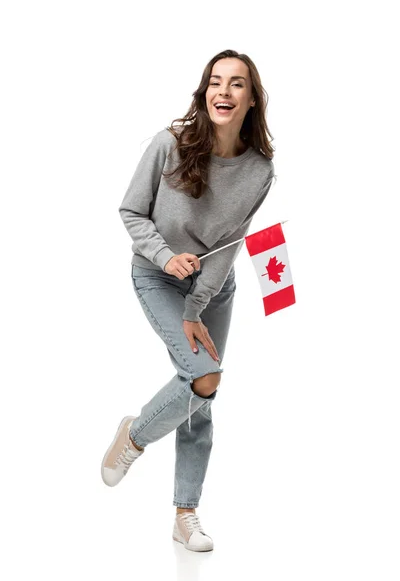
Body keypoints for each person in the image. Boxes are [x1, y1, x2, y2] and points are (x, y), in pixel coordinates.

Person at [100, 49, 276, 552]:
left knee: (203, 397)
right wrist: (164, 255)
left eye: (236, 84)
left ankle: (186, 512)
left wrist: (197, 307)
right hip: (155, 277)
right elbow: (132, 212)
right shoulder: (168, 144)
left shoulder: (259, 170)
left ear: (251, 99)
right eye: (215, 82)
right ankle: (134, 435)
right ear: (204, 93)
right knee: (204, 376)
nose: (224, 92)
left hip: (213, 289)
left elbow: (230, 245)